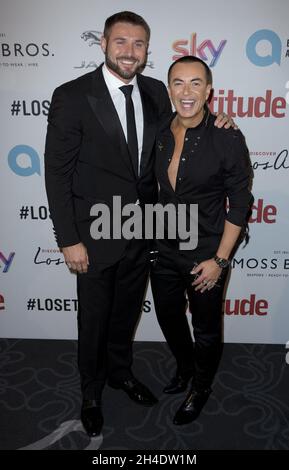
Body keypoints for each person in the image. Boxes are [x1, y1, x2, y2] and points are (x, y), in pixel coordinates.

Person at [45, 11, 234, 437]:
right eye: (121, 42)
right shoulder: (72, 95)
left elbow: (187, 120)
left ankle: (121, 373)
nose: (130, 52)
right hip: (92, 235)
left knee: (126, 313)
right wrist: (68, 238)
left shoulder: (153, 91)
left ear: (147, 50)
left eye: (139, 44)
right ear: (104, 44)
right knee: (93, 319)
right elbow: (56, 173)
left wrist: (221, 120)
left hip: (141, 230)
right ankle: (90, 393)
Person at [151, 55, 253, 425]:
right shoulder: (160, 130)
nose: (187, 91)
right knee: (168, 316)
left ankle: (201, 386)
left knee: (206, 329)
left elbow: (240, 202)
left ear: (209, 90)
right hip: (163, 250)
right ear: (169, 89)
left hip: (206, 253)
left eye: (196, 83)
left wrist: (221, 260)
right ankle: (184, 367)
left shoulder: (226, 136)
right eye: (178, 83)